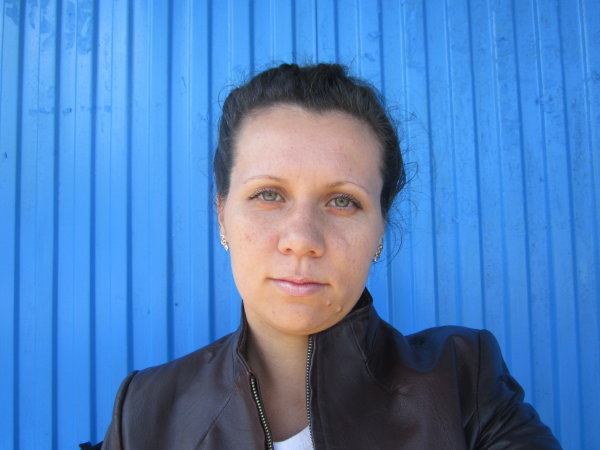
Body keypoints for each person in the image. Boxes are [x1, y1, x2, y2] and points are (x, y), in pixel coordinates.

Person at [96, 63, 560, 449]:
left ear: (380, 228)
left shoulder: (462, 382)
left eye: (343, 201)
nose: (302, 239)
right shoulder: (146, 411)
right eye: (268, 195)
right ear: (222, 215)